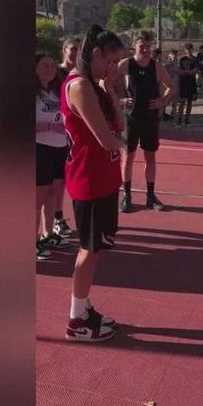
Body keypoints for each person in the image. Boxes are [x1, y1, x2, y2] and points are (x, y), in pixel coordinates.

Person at [60, 24, 126, 342]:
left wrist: (110, 87)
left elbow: (120, 124)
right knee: (88, 250)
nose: (114, 68)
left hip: (105, 180)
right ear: (97, 54)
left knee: (96, 248)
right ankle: (76, 319)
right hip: (89, 181)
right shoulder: (79, 86)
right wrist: (122, 142)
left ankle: (84, 308)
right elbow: (106, 138)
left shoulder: (96, 85)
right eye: (111, 61)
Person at [118, 32, 176, 212]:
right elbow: (105, 84)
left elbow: (171, 87)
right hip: (130, 118)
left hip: (150, 119)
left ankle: (150, 196)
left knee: (150, 157)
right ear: (134, 47)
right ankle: (127, 195)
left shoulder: (156, 66)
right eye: (141, 46)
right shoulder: (126, 64)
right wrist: (119, 100)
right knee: (128, 157)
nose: (145, 49)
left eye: (147, 46)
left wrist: (162, 101)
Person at [36, 54, 73, 261]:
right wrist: (51, 127)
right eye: (44, 66)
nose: (49, 69)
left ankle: (47, 234)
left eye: (52, 66)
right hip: (40, 149)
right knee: (37, 199)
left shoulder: (56, 92)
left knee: (54, 194)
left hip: (60, 148)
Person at [51, 37, 81, 238]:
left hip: (72, 136)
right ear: (64, 50)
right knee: (55, 181)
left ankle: (61, 217)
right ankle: (56, 218)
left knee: (68, 179)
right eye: (72, 49)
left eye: (78, 50)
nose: (75, 53)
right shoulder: (55, 74)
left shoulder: (80, 76)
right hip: (53, 135)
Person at [176, 43, 200, 126]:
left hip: (191, 83)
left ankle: (187, 120)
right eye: (187, 49)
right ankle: (179, 120)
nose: (188, 50)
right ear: (185, 50)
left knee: (190, 102)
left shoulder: (195, 59)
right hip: (183, 82)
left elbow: (195, 71)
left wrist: (186, 72)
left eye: (190, 49)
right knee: (182, 102)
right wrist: (189, 72)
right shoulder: (182, 59)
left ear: (192, 49)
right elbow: (179, 71)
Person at [163, 49, 180, 122]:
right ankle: (163, 114)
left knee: (174, 101)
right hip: (168, 86)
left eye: (175, 55)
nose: (174, 56)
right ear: (169, 55)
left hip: (176, 84)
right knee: (166, 100)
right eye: (173, 54)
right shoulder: (166, 65)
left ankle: (172, 115)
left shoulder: (178, 65)